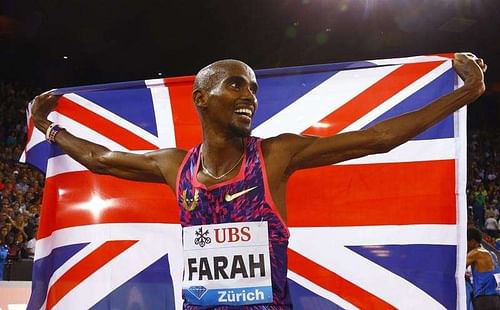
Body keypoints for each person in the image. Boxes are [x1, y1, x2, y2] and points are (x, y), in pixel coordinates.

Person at [31, 53, 486, 309]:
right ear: (201, 99)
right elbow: (102, 159)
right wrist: (48, 127)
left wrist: (465, 93)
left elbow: (377, 139)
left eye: (252, 88)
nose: (249, 96)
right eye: (235, 85)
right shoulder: (175, 166)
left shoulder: (274, 156)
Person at [466, 227, 500, 309]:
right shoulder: (492, 254)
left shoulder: (475, 253)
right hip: (496, 299)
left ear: (472, 241)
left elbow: (458, 268)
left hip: (484, 299)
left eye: (466, 242)